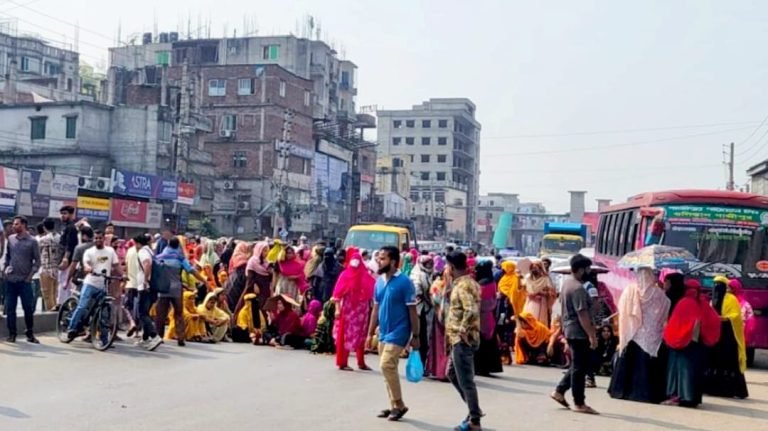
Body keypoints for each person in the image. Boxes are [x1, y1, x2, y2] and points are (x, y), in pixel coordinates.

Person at [366, 245, 419, 422]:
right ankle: (393, 406)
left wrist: (416, 336)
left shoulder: (405, 282)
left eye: (383, 258)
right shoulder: (379, 281)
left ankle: (399, 404)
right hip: (383, 331)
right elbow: (375, 308)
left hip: (400, 331)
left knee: (386, 365)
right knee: (388, 370)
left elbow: (412, 311)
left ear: (393, 261)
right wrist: (369, 332)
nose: (379, 261)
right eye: (379, 258)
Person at [608, 267, 671, 403]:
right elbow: (667, 305)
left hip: (632, 331)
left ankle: (621, 391)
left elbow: (622, 308)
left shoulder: (630, 289)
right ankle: (645, 394)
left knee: (629, 362)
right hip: (651, 334)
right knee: (646, 365)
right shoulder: (658, 293)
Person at [550, 254, 599, 415]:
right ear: (580, 269)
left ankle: (559, 391)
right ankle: (579, 402)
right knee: (579, 368)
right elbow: (582, 315)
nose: (589, 271)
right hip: (578, 332)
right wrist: (591, 335)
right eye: (587, 268)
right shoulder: (578, 288)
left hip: (570, 329)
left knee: (578, 364)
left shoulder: (567, 284)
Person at [663, 279, 721, 407]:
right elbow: (715, 320)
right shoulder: (703, 303)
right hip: (697, 345)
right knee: (693, 371)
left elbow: (676, 324)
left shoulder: (684, 303)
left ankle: (679, 397)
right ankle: (692, 398)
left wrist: (673, 336)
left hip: (682, 345)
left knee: (680, 371)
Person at [444, 251, 484, 430]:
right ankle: (473, 409)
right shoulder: (466, 283)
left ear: (451, 267)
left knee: (466, 380)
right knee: (452, 374)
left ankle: (474, 419)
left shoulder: (463, 286)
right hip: (457, 338)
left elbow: (471, 310)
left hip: (463, 340)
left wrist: (462, 330)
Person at [65, 229, 119, 342]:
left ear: (104, 238)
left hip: (103, 285)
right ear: (93, 239)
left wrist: (123, 275)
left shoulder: (110, 251)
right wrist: (88, 268)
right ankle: (72, 328)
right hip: (90, 283)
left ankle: (105, 340)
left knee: (104, 313)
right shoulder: (89, 252)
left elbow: (116, 265)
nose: (98, 240)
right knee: (82, 306)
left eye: (100, 238)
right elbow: (86, 264)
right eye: (96, 238)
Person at [154, 237, 209, 347]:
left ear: (167, 245)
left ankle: (158, 336)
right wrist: (204, 280)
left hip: (163, 288)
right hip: (176, 288)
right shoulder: (180, 258)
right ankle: (181, 338)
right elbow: (192, 271)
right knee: (179, 313)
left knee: (161, 314)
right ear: (178, 246)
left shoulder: (159, 257)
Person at [704, 276, 749, 399]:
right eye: (714, 285)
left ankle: (729, 390)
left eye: (719, 285)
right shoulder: (712, 299)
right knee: (713, 361)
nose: (716, 288)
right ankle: (712, 388)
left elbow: (736, 316)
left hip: (728, 335)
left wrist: (725, 318)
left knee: (728, 362)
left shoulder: (731, 299)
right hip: (715, 335)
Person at [332, 250, 375, 371]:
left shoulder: (365, 276)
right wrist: (337, 309)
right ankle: (342, 362)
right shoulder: (345, 275)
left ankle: (361, 362)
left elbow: (372, 292)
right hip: (348, 311)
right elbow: (337, 295)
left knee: (361, 335)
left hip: (362, 312)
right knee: (345, 336)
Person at [4, 216, 41, 343]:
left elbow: (37, 261)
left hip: (25, 281)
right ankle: (12, 334)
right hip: (11, 280)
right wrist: (6, 269)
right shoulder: (10, 239)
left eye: (17, 224)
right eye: (14, 224)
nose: (14, 226)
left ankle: (30, 333)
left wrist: (30, 275)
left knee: (28, 308)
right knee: (10, 308)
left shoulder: (32, 241)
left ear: (24, 225)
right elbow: (8, 256)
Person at [131, 233, 162, 351]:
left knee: (142, 313)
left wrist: (145, 280)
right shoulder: (150, 251)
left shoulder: (143, 252)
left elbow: (147, 264)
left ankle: (154, 336)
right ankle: (145, 338)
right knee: (146, 313)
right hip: (152, 286)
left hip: (145, 287)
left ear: (138, 243)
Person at [474, 259, 503, 376]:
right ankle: (486, 367)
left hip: (482, 316)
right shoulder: (490, 281)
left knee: (482, 343)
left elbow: (481, 302)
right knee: (489, 343)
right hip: (488, 316)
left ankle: (481, 367)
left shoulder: (483, 283)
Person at [410, 254, 435, 367]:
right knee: (422, 337)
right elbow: (418, 292)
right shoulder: (418, 275)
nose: (430, 265)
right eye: (427, 264)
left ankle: (423, 362)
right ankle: (420, 362)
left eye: (431, 263)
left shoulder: (430, 275)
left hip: (428, 309)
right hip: (420, 310)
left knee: (427, 338)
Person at [57, 206, 79, 307]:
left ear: (71, 215)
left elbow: (69, 245)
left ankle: (63, 305)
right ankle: (63, 304)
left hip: (68, 260)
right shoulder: (65, 226)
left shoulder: (71, 227)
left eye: (65, 213)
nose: (62, 215)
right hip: (63, 258)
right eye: (61, 213)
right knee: (63, 282)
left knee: (65, 283)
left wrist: (66, 259)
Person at [37, 217, 61, 311]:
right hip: (56, 269)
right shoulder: (59, 237)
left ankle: (50, 315)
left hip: (46, 269)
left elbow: (38, 254)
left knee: (47, 295)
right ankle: (55, 316)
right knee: (54, 295)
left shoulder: (42, 240)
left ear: (44, 227)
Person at [523, 261, 555, 326]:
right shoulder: (528, 279)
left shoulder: (545, 279)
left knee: (539, 323)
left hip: (541, 303)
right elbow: (523, 290)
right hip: (530, 302)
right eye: (532, 268)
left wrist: (543, 293)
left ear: (540, 269)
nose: (533, 270)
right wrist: (529, 294)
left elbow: (552, 293)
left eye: (535, 268)